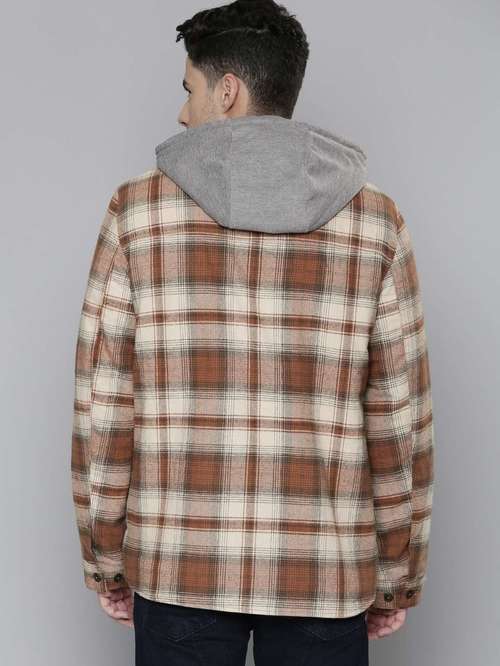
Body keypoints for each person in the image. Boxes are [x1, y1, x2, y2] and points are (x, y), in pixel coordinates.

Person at [70, 1, 435, 664]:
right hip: (324, 573)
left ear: (228, 91)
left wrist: (106, 556)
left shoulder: (137, 214)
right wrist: (395, 574)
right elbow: (399, 420)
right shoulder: (376, 222)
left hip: (178, 567)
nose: (182, 112)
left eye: (190, 89)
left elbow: (105, 404)